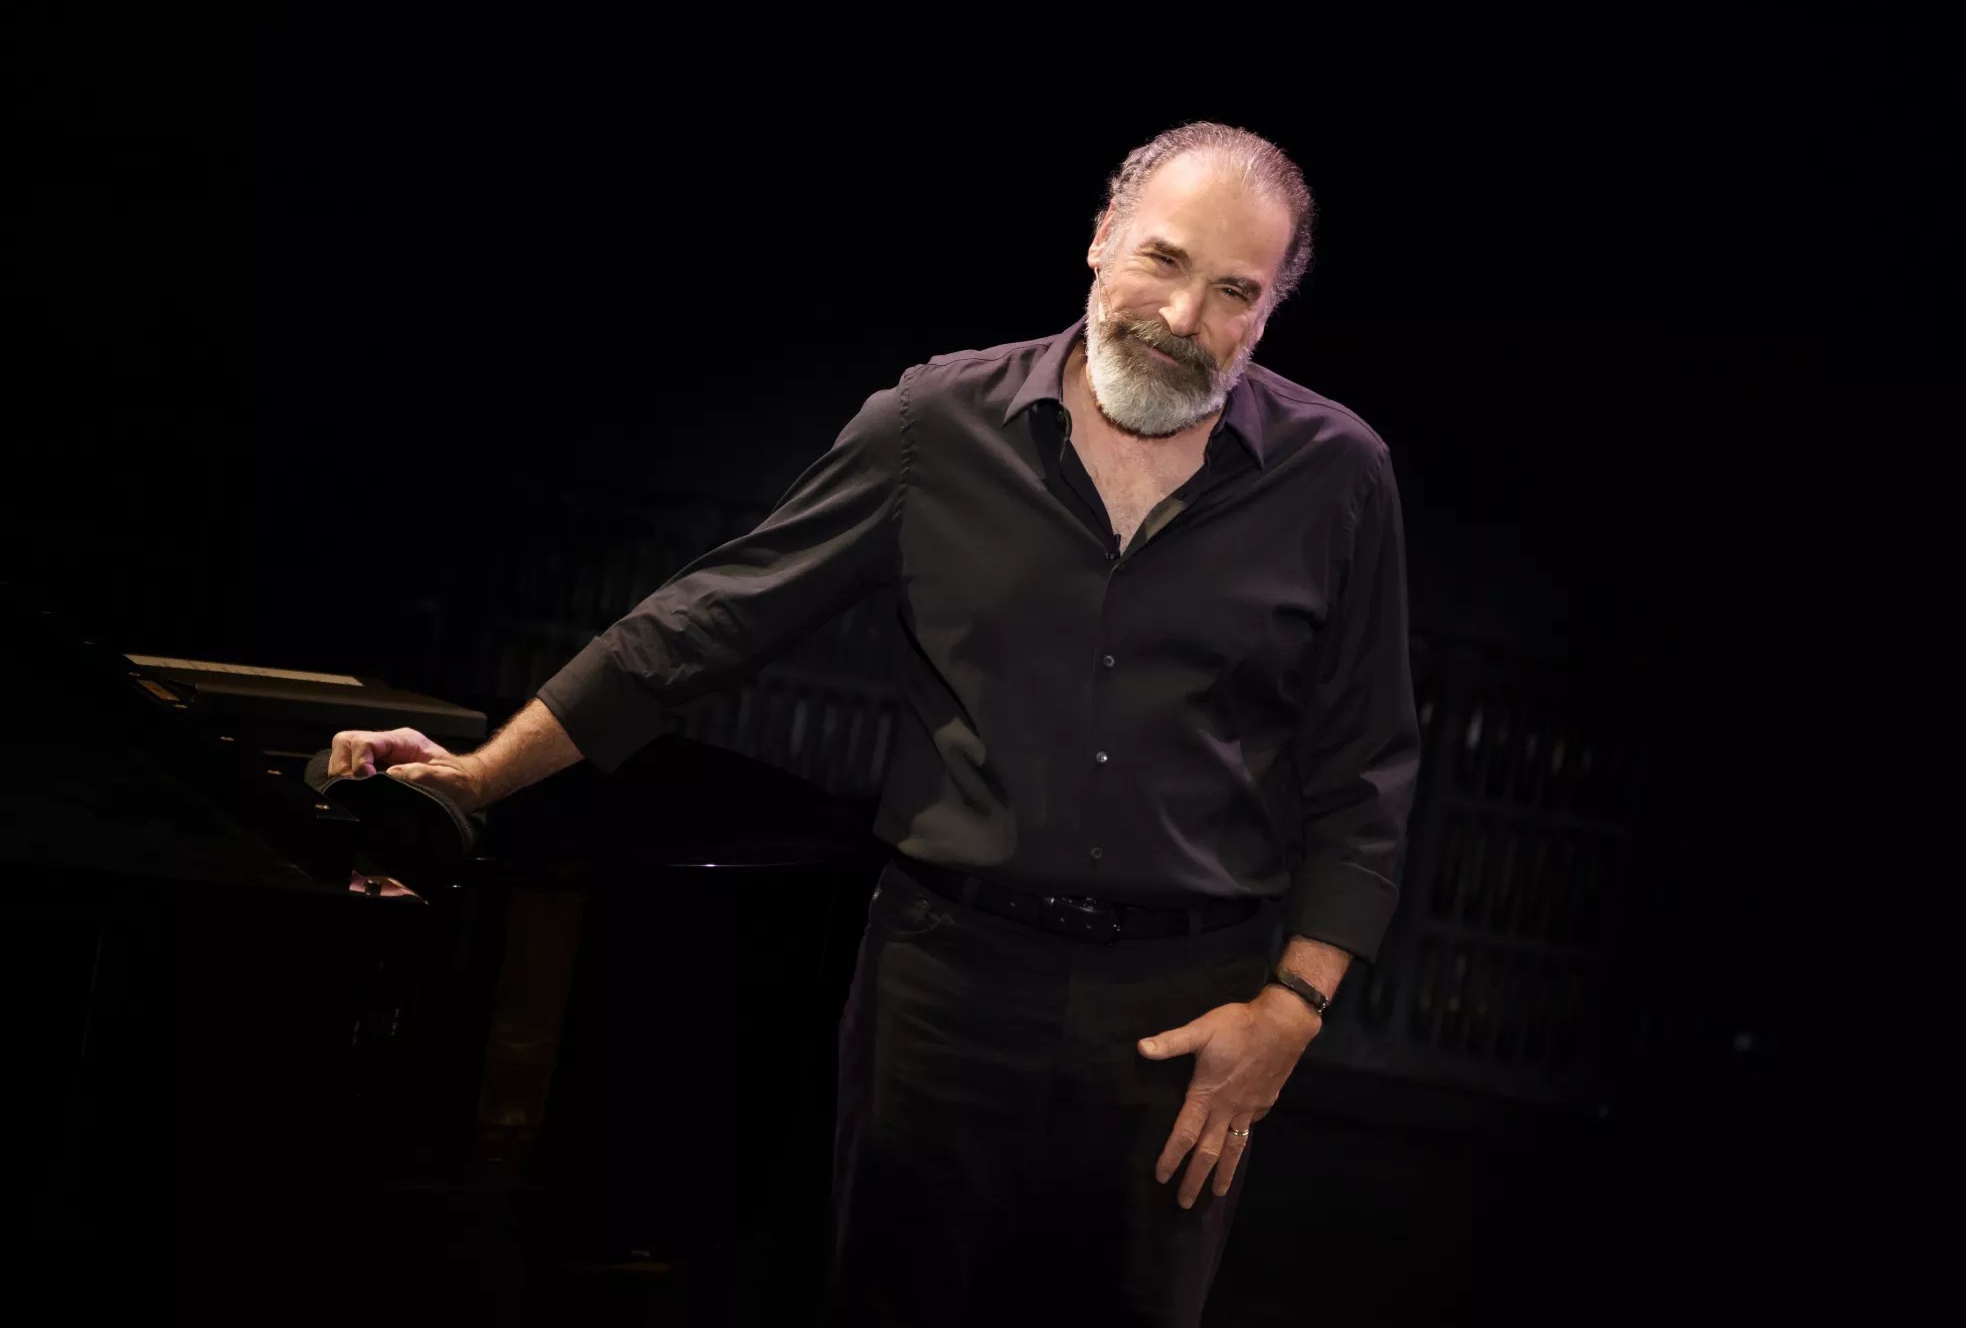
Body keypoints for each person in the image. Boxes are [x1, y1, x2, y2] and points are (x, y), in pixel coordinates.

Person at [330, 121, 1419, 1326]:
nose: (1181, 314)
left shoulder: (1338, 476)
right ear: (1102, 236)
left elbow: (1367, 768)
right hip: (945, 985)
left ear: (1270, 309)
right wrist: (479, 776)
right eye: (1162, 258)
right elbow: (701, 626)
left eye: (1233, 291)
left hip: (1185, 1007)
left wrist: (1292, 1010)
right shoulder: (933, 424)